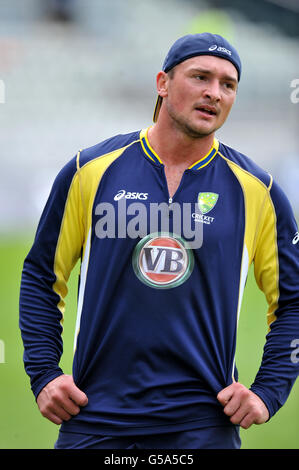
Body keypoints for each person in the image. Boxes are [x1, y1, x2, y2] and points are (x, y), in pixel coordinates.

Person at [19, 33, 299, 450]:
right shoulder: (90, 170)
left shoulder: (257, 189)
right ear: (163, 84)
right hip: (95, 420)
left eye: (228, 84)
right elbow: (42, 277)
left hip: (205, 426)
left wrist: (267, 391)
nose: (214, 93)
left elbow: (293, 300)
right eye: (200, 76)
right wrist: (44, 373)